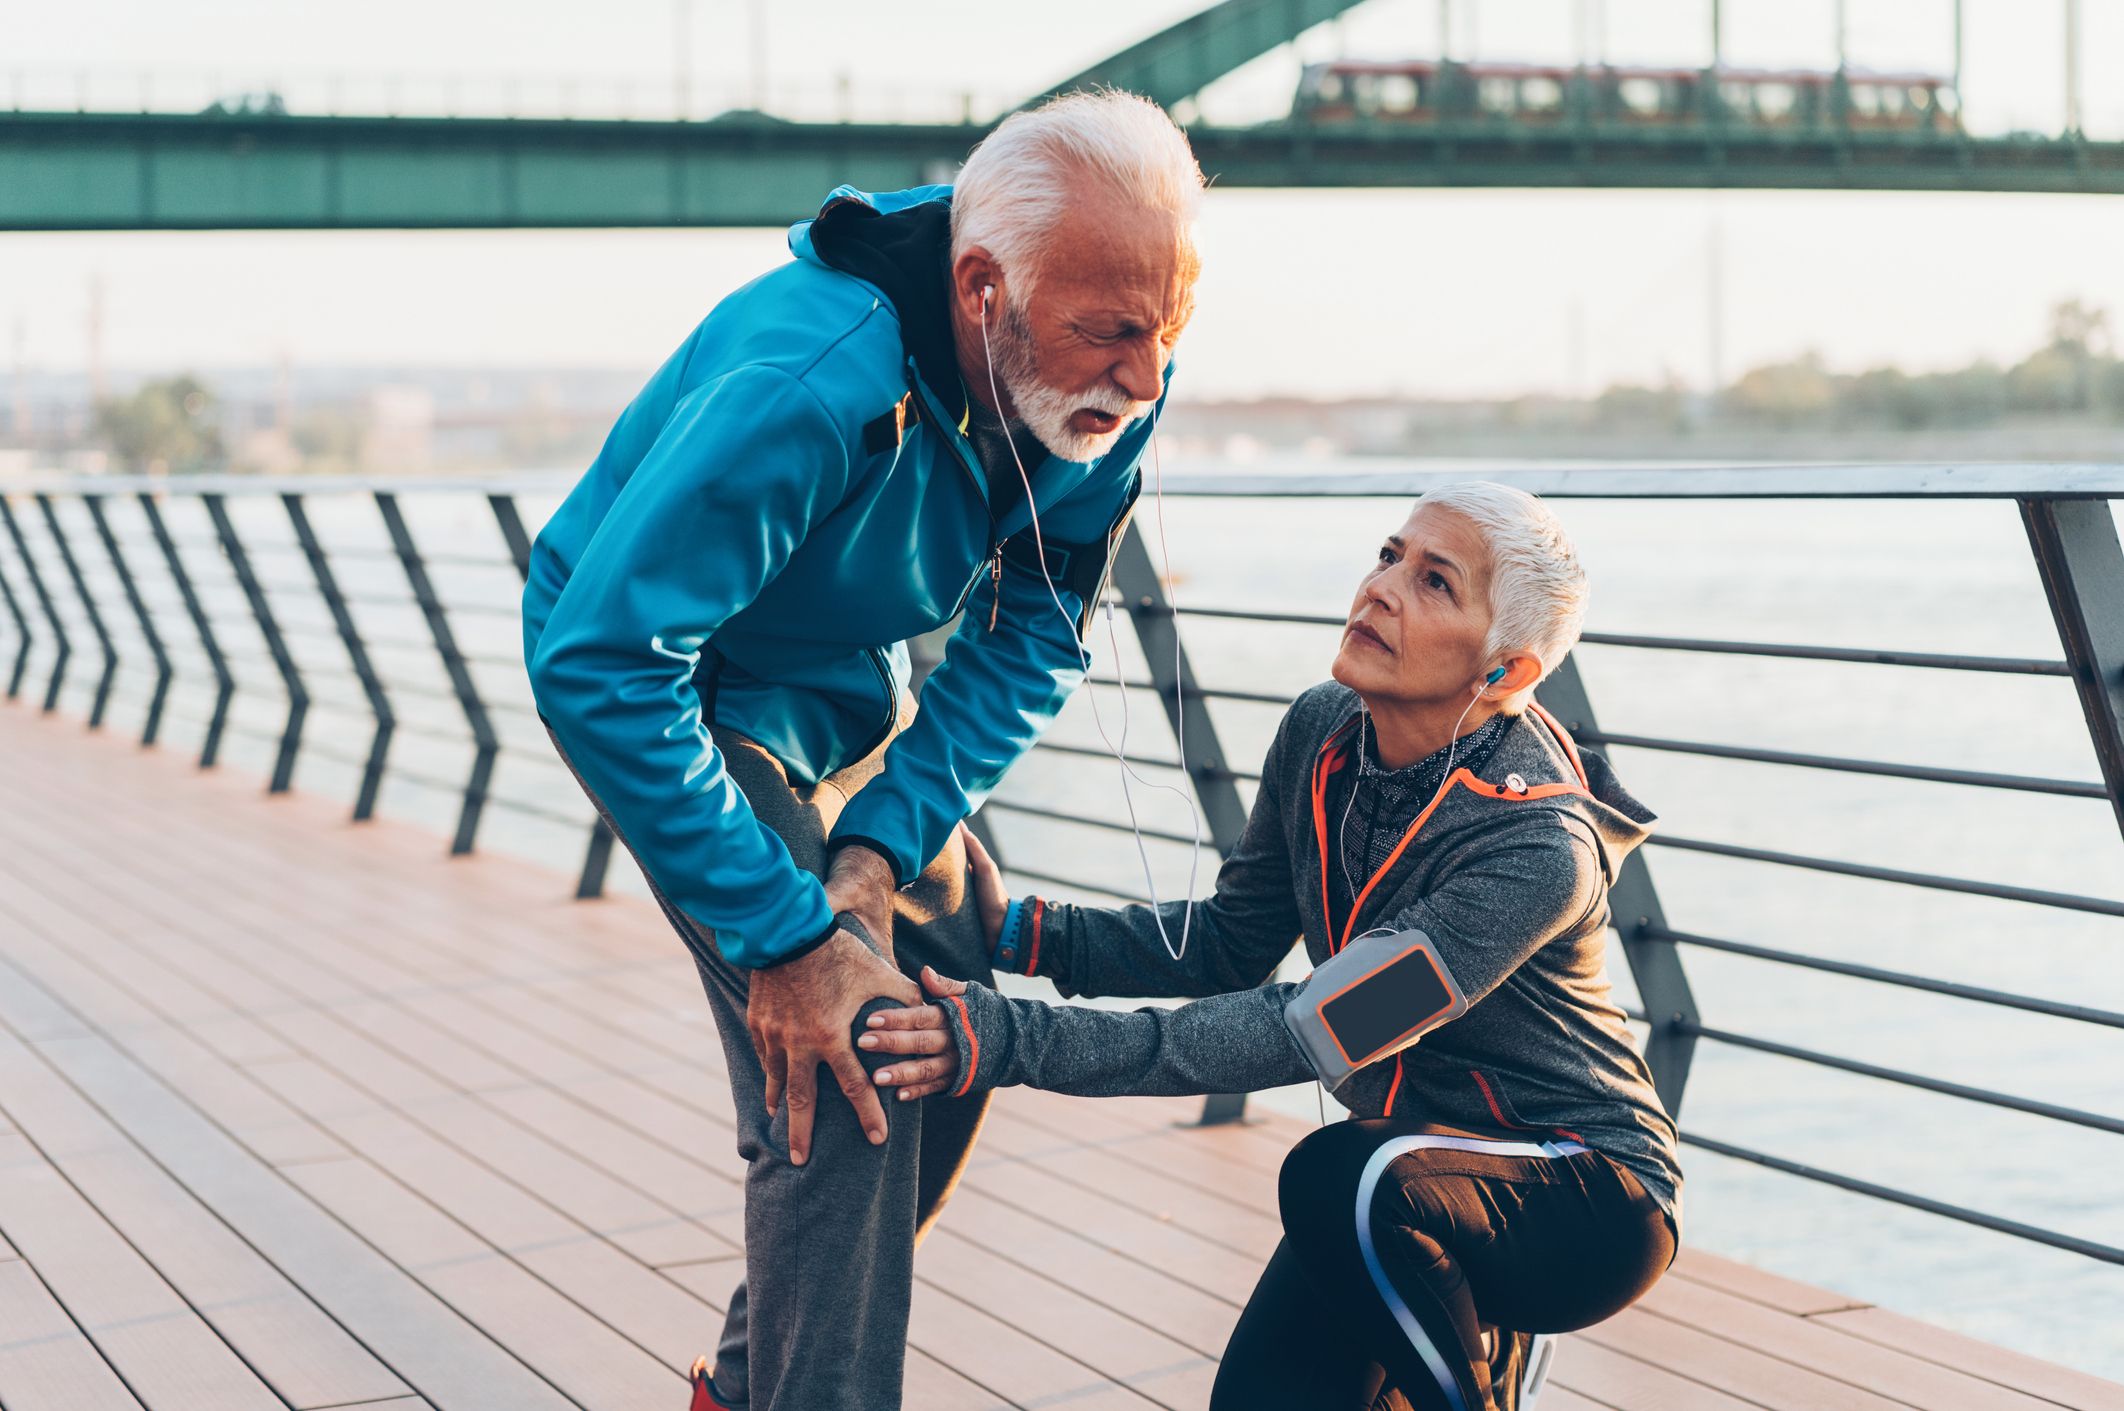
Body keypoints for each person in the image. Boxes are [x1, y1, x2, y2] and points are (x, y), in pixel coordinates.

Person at [521, 91, 1204, 1411]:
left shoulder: (1112, 375)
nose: (1145, 377)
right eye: (1114, 335)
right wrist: (788, 934)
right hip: (674, 681)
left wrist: (889, 839)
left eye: (1170, 332)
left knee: (943, 1016)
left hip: (836, 694)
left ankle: (746, 1386)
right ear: (984, 288)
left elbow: (1033, 633)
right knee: (854, 1060)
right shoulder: (810, 377)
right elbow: (602, 659)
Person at [863, 481, 1683, 1411]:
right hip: (1401, 1186)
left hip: (1583, 1192)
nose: (1380, 589)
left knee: (1338, 1177)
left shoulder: (1535, 851)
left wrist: (1009, 1039)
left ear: (1505, 674)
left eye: (1435, 582)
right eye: (1388, 554)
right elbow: (1226, 941)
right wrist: (1020, 931)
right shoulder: (1322, 732)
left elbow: (1311, 1030)